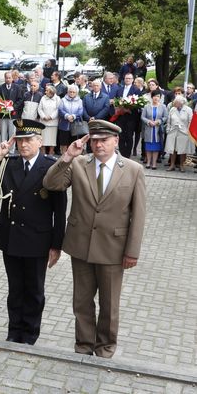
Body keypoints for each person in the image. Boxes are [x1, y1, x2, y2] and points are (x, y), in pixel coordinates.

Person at [43, 120, 146, 358]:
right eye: (95, 140)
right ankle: (84, 345)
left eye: (104, 140)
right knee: (82, 302)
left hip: (114, 248)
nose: (99, 145)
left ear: (116, 141)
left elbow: (139, 214)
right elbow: (51, 184)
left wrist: (133, 251)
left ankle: (105, 346)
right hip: (81, 246)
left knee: (109, 305)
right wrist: (67, 156)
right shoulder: (79, 163)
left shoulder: (132, 169)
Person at [0, 119, 66, 344]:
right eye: (20, 140)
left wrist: (57, 245)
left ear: (39, 141)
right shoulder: (10, 164)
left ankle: (29, 334)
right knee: (15, 289)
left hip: (38, 240)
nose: (23, 145)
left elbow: (60, 210)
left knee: (34, 291)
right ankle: (14, 330)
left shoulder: (50, 167)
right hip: (11, 238)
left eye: (28, 140)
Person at [165, 96, 193, 172]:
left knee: (182, 149)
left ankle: (181, 165)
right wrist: (168, 130)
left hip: (183, 132)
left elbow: (191, 121)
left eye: (176, 102)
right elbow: (169, 121)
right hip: (173, 131)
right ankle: (172, 165)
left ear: (181, 103)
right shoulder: (172, 109)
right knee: (172, 148)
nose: (174, 103)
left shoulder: (188, 110)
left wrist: (188, 131)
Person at [141, 90, 167, 169]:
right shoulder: (147, 106)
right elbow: (142, 117)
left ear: (160, 98)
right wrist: (148, 121)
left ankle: (154, 163)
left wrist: (158, 121)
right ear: (152, 97)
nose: (156, 98)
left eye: (158, 96)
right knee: (148, 147)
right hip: (149, 129)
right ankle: (148, 162)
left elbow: (165, 117)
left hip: (158, 130)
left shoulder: (163, 106)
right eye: (155, 96)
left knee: (156, 147)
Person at [0, 72, 24, 145]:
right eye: (6, 78)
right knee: (3, 133)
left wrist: (12, 107)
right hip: (3, 114)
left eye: (9, 78)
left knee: (12, 133)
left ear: (12, 78)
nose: (8, 79)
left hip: (13, 114)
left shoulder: (17, 87)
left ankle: (11, 150)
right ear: (4, 78)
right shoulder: (0, 87)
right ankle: (3, 147)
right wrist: (1, 106)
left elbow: (20, 99)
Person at [37, 85, 61, 155]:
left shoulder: (57, 98)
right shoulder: (43, 98)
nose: (45, 92)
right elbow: (39, 109)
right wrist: (43, 116)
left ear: (51, 92)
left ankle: (51, 153)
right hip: (43, 122)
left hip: (53, 123)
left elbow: (58, 109)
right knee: (43, 140)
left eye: (47, 91)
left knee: (52, 140)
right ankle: (43, 153)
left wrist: (51, 117)